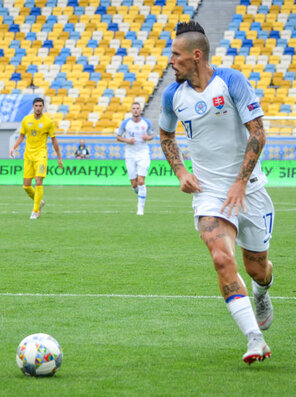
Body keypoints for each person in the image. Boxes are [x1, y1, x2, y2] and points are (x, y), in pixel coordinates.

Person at [158, 20, 275, 365]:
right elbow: (166, 136)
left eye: (176, 55)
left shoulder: (232, 81)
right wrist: (180, 170)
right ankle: (255, 340)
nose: (170, 61)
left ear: (196, 55)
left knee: (257, 267)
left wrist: (240, 181)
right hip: (209, 194)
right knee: (222, 259)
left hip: (249, 189)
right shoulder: (172, 96)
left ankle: (262, 291)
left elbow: (258, 133)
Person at [9, 97, 63, 219]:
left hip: (41, 155)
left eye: (40, 106)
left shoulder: (48, 122)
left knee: (38, 180)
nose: (38, 108)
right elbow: (21, 136)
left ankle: (35, 210)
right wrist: (14, 147)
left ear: (43, 107)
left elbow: (54, 141)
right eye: (36, 106)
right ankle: (39, 201)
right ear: (33, 107)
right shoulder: (26, 120)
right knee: (26, 186)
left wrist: (59, 158)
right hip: (28, 155)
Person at [116, 102, 154, 215]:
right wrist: (127, 140)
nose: (136, 110)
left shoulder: (146, 122)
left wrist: (147, 137)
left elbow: (152, 135)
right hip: (130, 154)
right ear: (131, 110)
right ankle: (140, 193)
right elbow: (118, 136)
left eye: (138, 108)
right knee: (134, 184)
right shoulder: (126, 123)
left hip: (143, 154)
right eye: (134, 108)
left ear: (141, 110)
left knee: (141, 181)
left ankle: (140, 209)